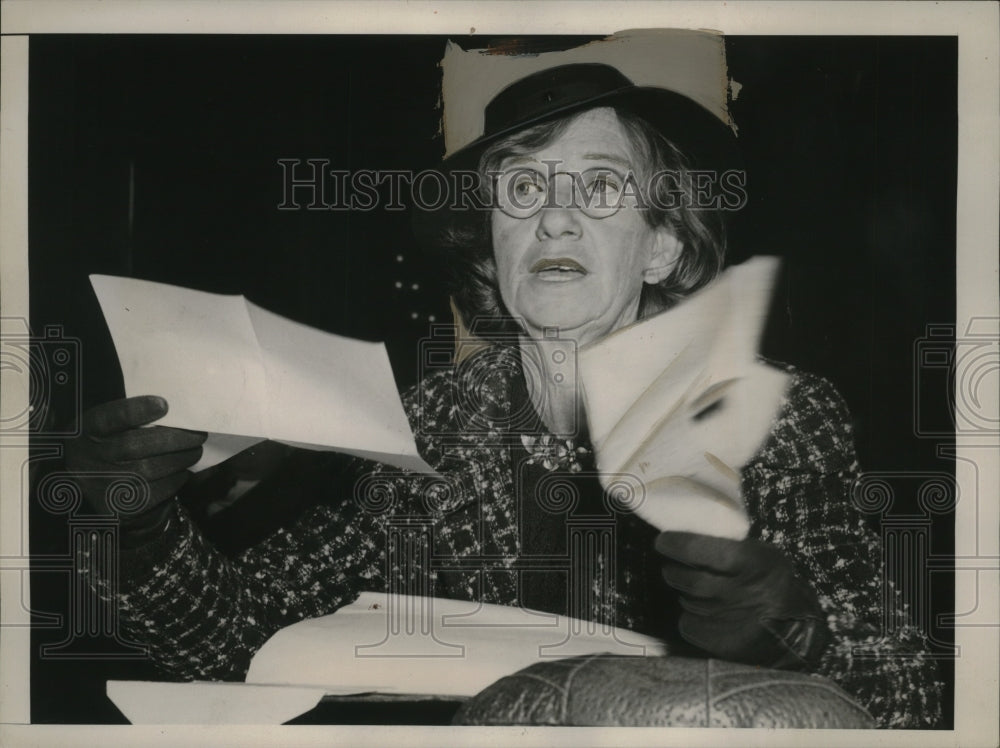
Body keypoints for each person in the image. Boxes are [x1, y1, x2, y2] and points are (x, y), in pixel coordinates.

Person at [66, 62, 941, 728]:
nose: (553, 217)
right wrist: (140, 532)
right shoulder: (429, 430)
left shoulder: (778, 418)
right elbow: (236, 648)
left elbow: (914, 699)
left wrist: (799, 641)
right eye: (522, 188)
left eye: (600, 186)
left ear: (664, 247)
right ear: (491, 246)